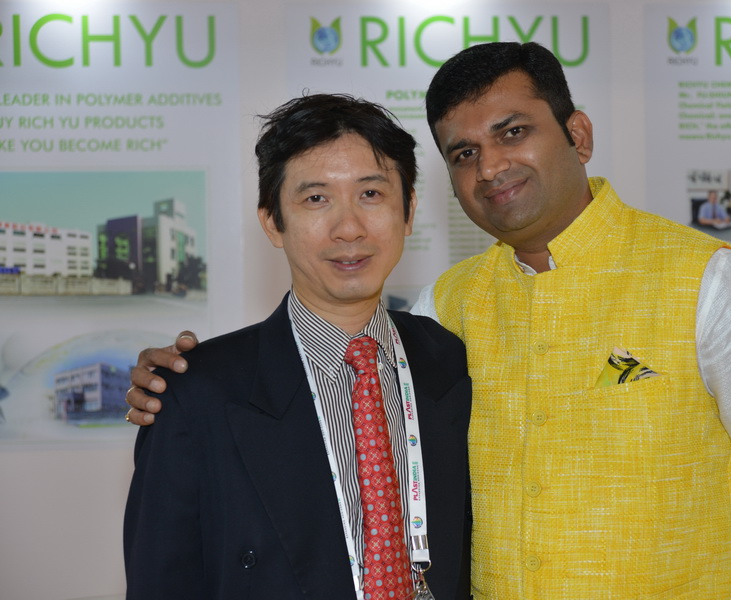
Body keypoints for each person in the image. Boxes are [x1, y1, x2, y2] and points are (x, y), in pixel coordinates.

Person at [126, 43, 731, 600]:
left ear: (578, 134)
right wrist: (179, 381)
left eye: (513, 132)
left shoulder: (709, 283)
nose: (491, 167)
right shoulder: (450, 307)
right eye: (465, 153)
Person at [123, 94, 472, 599]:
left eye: (371, 193)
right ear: (272, 222)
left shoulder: (447, 359)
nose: (349, 228)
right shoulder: (195, 393)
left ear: (408, 211)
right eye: (316, 199)